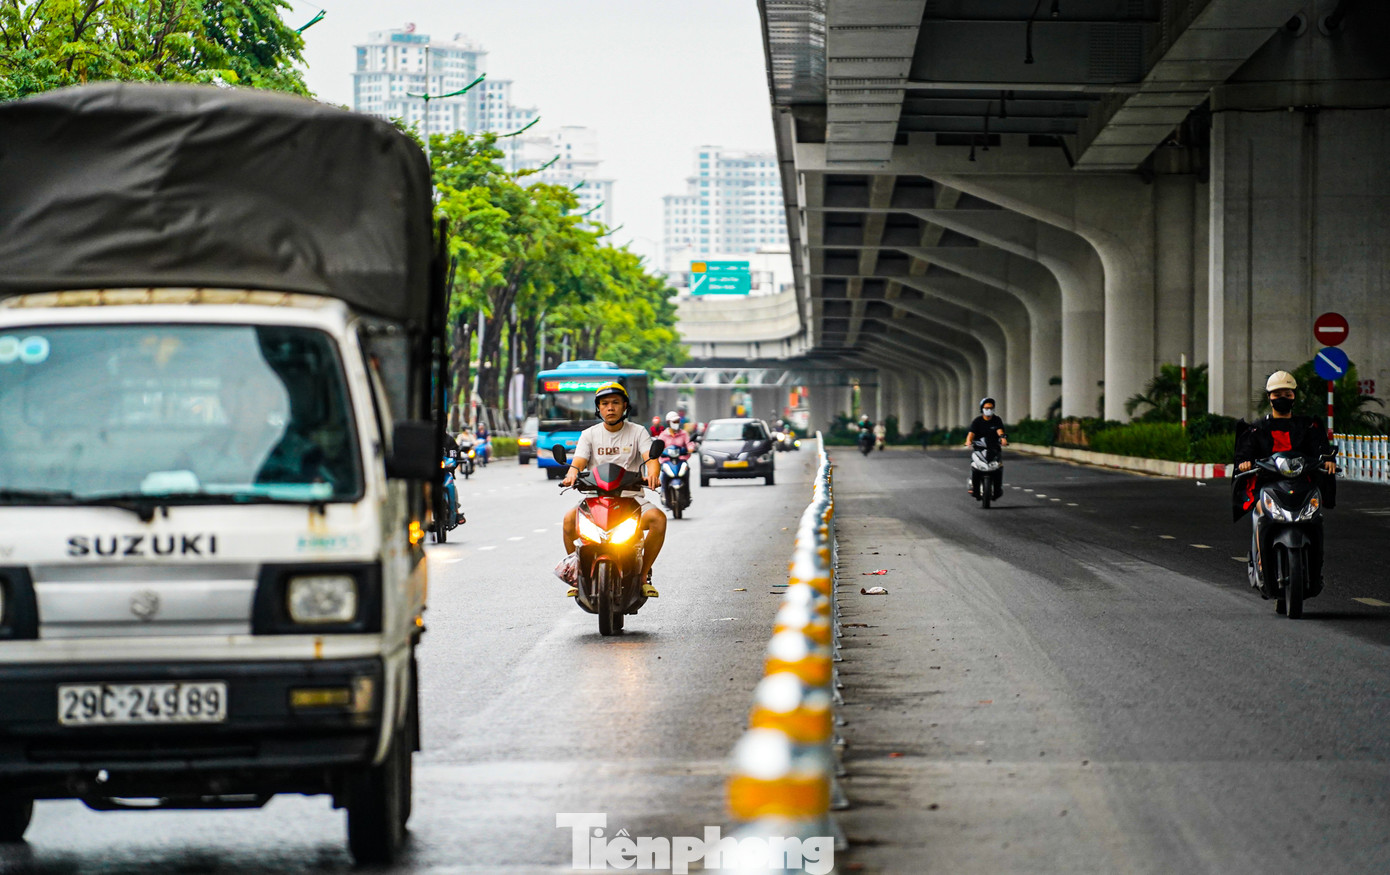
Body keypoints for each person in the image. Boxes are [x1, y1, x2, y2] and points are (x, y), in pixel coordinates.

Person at [1234, 370, 1336, 591]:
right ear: (1270, 397)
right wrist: (1244, 463)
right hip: (1267, 485)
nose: (1283, 398)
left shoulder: (1308, 427)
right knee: (1260, 512)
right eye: (1278, 393)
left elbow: (1321, 448)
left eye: (1287, 394)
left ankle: (1316, 571)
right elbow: (1244, 453)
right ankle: (1262, 564)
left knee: (1316, 519)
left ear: (1294, 397)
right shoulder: (1257, 429)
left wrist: (1327, 460)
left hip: (1303, 485)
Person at [561, 382, 665, 598]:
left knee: (659, 520)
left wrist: (653, 474)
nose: (610, 408)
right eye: (605, 403)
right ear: (598, 408)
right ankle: (577, 573)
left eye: (615, 403)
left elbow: (651, 458)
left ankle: (643, 575)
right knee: (569, 521)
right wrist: (572, 473)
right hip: (594, 499)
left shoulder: (638, 432)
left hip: (631, 499)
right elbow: (578, 461)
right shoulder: (589, 434)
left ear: (625, 406)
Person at [964, 398, 1008, 498]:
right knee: (975, 466)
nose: (988, 410)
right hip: (979, 449)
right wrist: (968, 441)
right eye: (986, 408)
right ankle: (974, 487)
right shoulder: (977, 421)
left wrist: (1002, 438)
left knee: (998, 468)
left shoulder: (996, 420)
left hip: (994, 449)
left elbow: (1000, 431)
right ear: (982, 409)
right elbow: (971, 433)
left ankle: (997, 488)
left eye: (991, 408)